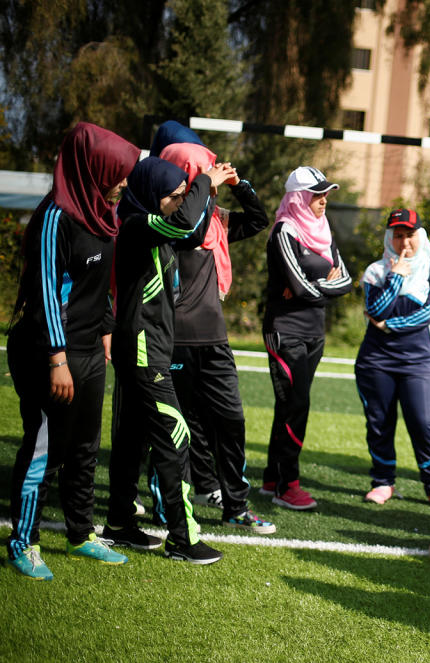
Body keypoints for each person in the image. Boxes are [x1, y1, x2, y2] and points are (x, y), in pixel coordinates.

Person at [5, 122, 139, 580]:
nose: (124, 181)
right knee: (45, 447)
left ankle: (80, 533)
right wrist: (57, 359)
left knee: (84, 447)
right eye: (117, 172)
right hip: (46, 352)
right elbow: (45, 294)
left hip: (85, 350)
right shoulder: (55, 217)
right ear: (93, 167)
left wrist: (104, 331)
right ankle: (22, 541)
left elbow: (96, 287)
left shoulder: (103, 214)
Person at [106, 156, 235, 564]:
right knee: (175, 436)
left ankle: (119, 523)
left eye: (183, 195)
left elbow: (193, 228)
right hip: (145, 351)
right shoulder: (136, 225)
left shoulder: (155, 227)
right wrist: (200, 180)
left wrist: (207, 192)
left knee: (132, 438)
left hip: (147, 348)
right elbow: (183, 222)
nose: (181, 201)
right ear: (150, 194)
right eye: (174, 195)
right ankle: (183, 539)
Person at [158, 134, 275, 534]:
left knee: (231, 421)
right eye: (199, 167)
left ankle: (236, 507)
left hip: (214, 341)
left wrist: (238, 185)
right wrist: (204, 187)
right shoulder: (169, 220)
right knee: (176, 428)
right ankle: (170, 507)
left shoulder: (216, 219)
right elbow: (187, 230)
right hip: (173, 343)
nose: (209, 170)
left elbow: (259, 220)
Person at [261, 166, 353, 509]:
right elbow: (298, 286)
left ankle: (272, 479)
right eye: (317, 194)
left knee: (290, 404)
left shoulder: (323, 231)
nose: (324, 200)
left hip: (315, 333)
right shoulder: (285, 231)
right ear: (298, 197)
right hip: (285, 332)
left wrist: (317, 288)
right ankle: (289, 486)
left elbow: (345, 281)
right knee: (296, 405)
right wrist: (321, 286)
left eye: (327, 193)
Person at [355, 208, 430, 510]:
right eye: (397, 235)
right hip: (376, 360)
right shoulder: (376, 271)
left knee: (423, 421)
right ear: (390, 237)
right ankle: (382, 481)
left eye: (409, 235)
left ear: (420, 236)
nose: (404, 242)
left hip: (417, 362)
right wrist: (396, 278)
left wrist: (390, 327)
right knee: (379, 422)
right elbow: (375, 311)